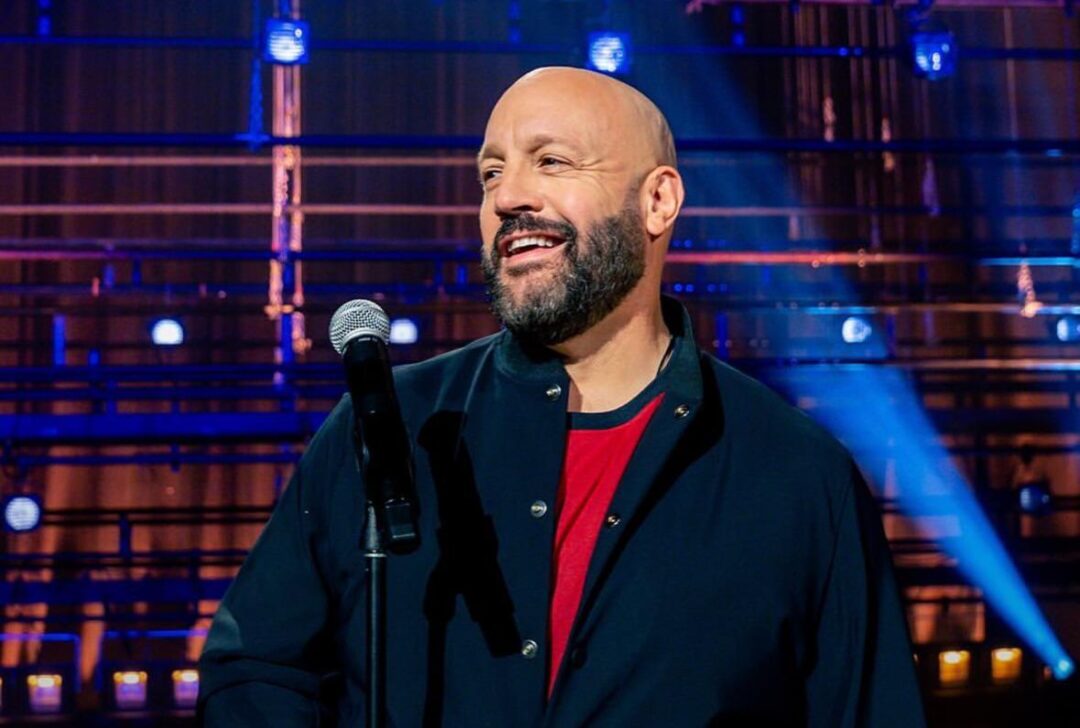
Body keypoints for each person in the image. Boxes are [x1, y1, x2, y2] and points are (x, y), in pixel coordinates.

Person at [198, 67, 926, 727]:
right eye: (490, 174)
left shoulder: (797, 474)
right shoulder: (394, 426)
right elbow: (254, 667)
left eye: (551, 161)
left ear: (659, 200)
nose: (507, 197)